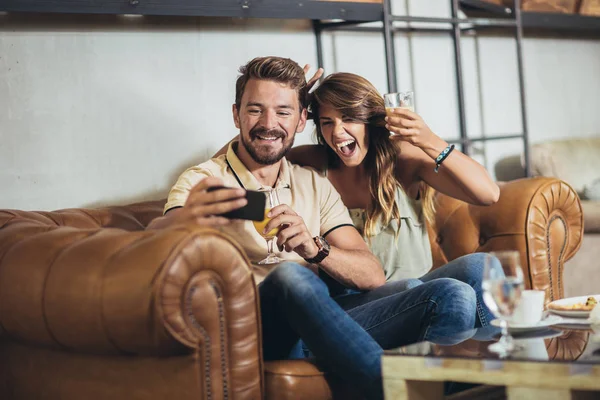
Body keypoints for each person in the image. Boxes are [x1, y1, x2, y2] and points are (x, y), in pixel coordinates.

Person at [148, 56, 478, 399]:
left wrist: (314, 248)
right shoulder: (205, 179)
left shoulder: (312, 182)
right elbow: (155, 237)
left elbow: (372, 274)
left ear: (302, 119)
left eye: (283, 112)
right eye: (255, 110)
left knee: (453, 295)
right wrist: (184, 221)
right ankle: (394, 391)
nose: (268, 123)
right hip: (252, 325)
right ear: (236, 115)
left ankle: (466, 384)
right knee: (291, 276)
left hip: (318, 326)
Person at [287, 72, 502, 327]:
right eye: (327, 122)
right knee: (421, 290)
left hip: (423, 293)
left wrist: (429, 141)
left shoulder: (402, 160)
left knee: (480, 267)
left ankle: (504, 353)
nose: (337, 132)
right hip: (354, 302)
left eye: (349, 118)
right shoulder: (313, 161)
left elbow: (488, 194)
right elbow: (249, 158)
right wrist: (290, 107)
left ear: (370, 120)